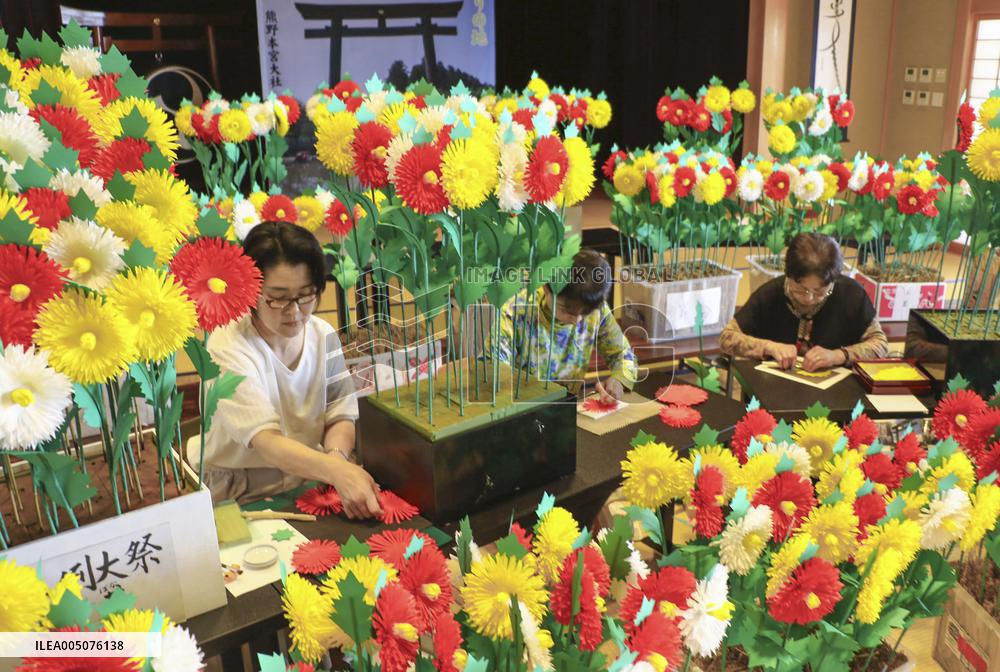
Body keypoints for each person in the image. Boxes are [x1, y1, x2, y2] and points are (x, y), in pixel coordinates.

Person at [199, 221, 382, 518]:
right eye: (279, 297)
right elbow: (266, 442)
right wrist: (336, 470)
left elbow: (340, 413)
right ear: (250, 291)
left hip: (309, 475)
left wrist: (336, 458)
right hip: (238, 487)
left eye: (306, 295)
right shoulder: (227, 346)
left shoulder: (322, 335)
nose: (294, 311)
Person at [720, 232, 888, 370]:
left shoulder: (851, 294)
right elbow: (727, 338)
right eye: (800, 289)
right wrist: (769, 347)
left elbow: (880, 344)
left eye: (820, 292)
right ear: (788, 275)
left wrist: (838, 355)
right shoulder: (770, 294)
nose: (809, 298)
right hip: (773, 390)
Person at [498, 249, 638, 401]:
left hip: (568, 404)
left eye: (585, 313)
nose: (577, 320)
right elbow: (493, 370)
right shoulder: (516, 313)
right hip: (521, 408)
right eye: (567, 310)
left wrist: (618, 379)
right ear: (546, 288)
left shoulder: (596, 310)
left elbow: (622, 354)